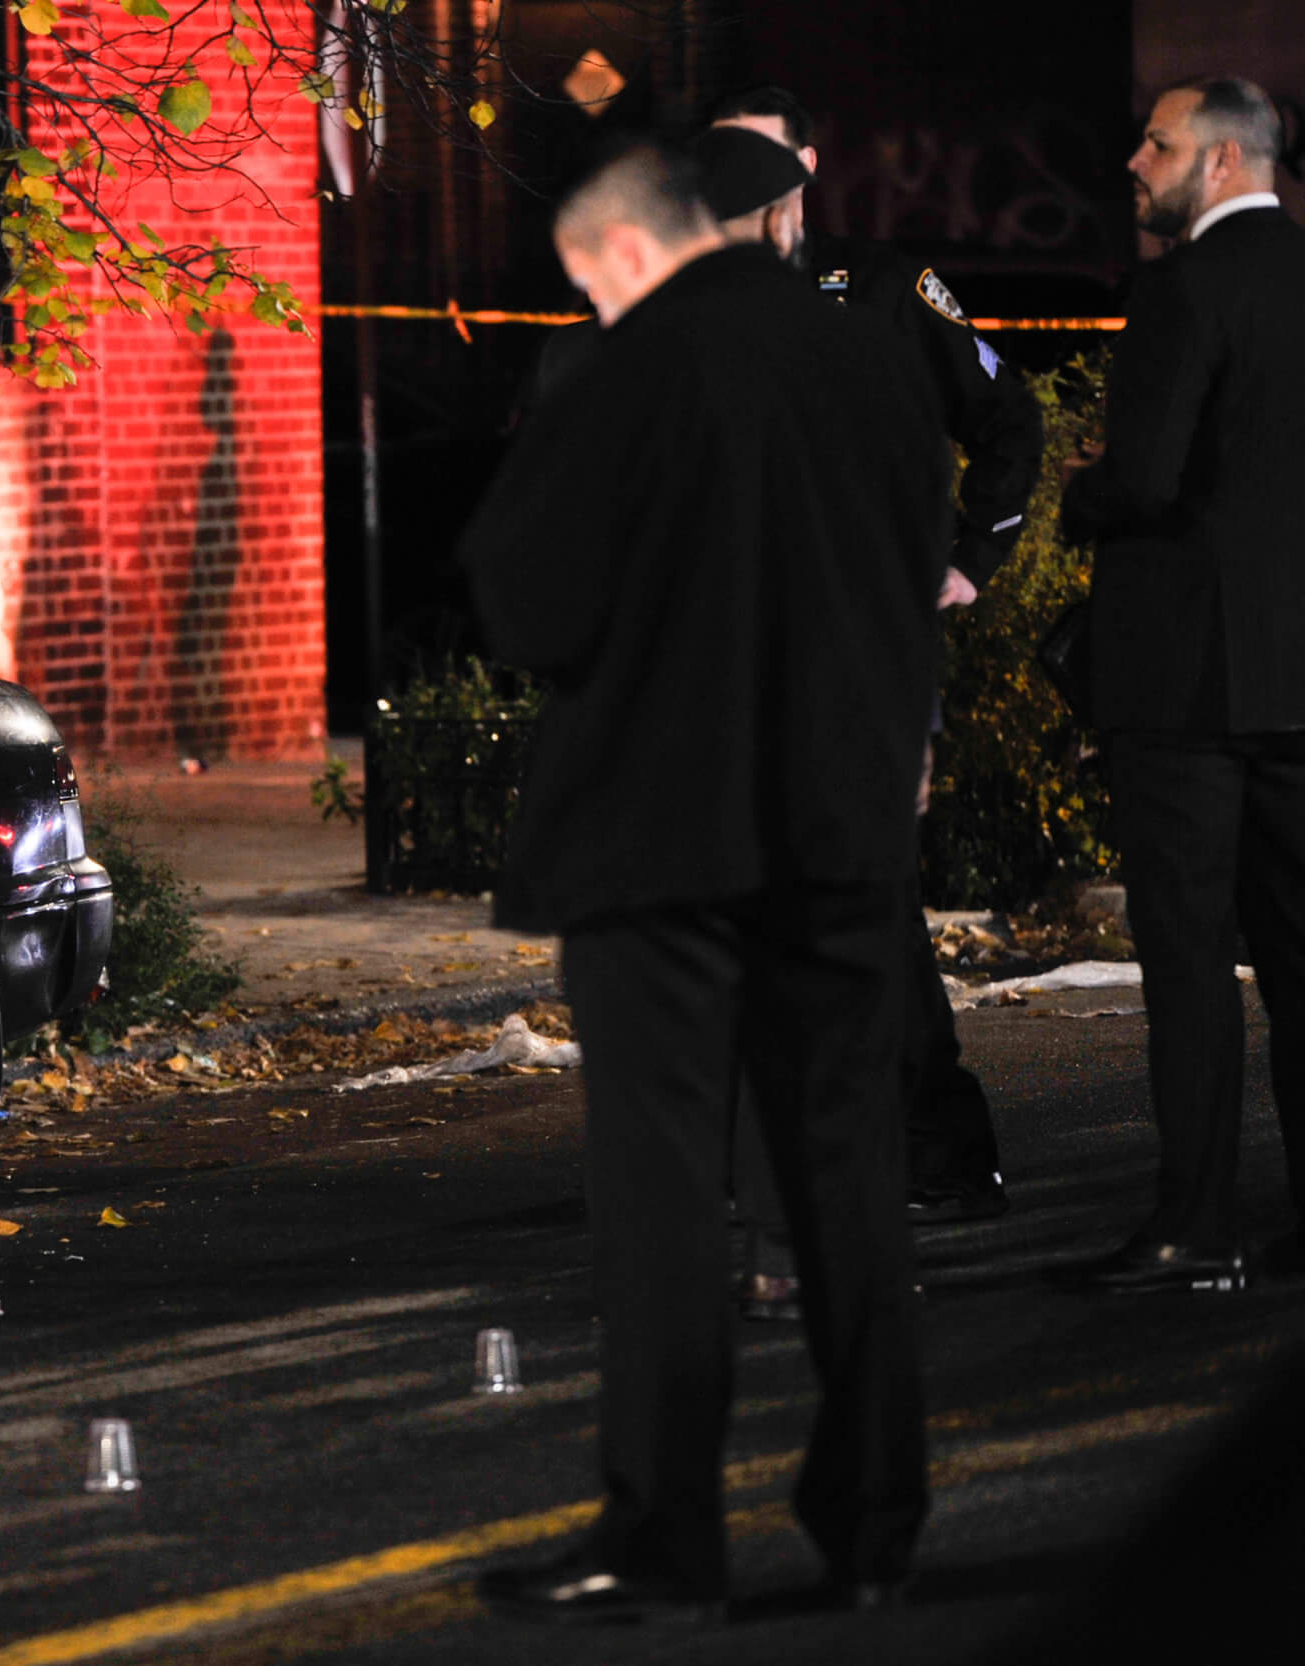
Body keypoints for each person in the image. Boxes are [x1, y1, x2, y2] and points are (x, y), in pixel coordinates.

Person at [460, 140, 948, 1621]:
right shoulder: (868, 358)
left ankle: (668, 1526)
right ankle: (871, 1519)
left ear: (619, 254)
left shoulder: (620, 372)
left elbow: (526, 598)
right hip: (843, 825)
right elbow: (918, 564)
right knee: (849, 1168)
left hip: (659, 837)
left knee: (666, 1185)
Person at [715, 86, 1046, 1229]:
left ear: (805, 164)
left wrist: (966, 565)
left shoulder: (885, 287)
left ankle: (939, 1151)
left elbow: (1007, 422)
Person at [1060, 76, 1305, 1293]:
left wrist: (1077, 488)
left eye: (1153, 143)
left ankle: (1194, 1217)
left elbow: (1147, 480)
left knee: (1189, 962)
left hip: (1185, 688)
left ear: (1214, 161)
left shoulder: (1178, 290)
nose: (1132, 162)